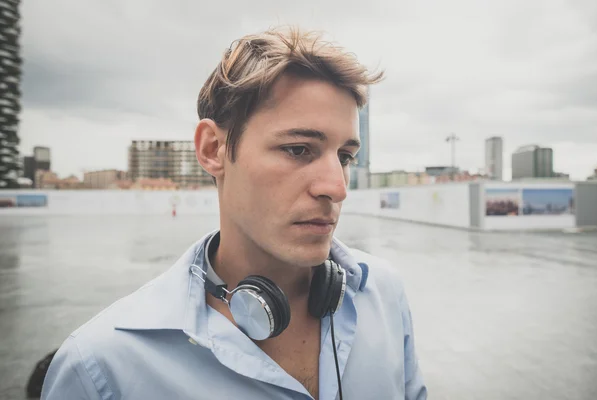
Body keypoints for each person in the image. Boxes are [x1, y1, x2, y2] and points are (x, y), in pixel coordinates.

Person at [41, 26, 427, 400]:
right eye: (298, 149)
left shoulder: (384, 294)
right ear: (212, 149)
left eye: (345, 157)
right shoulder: (101, 368)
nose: (337, 187)